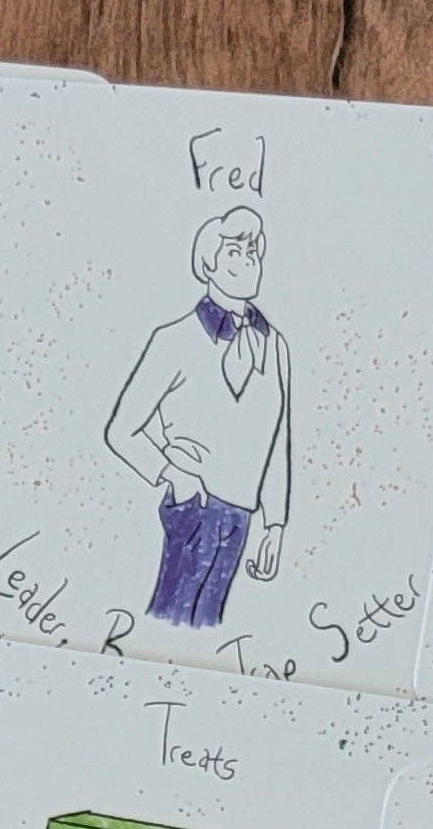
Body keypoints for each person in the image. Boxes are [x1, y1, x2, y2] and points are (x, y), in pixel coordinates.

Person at [103, 205, 293, 626]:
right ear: (208, 264)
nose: (248, 262)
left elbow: (278, 440)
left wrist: (275, 523)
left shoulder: (274, 346)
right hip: (196, 507)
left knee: (206, 623)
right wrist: (174, 475)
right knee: (171, 620)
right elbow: (122, 430)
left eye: (253, 253)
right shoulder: (175, 339)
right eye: (234, 253)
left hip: (242, 514)